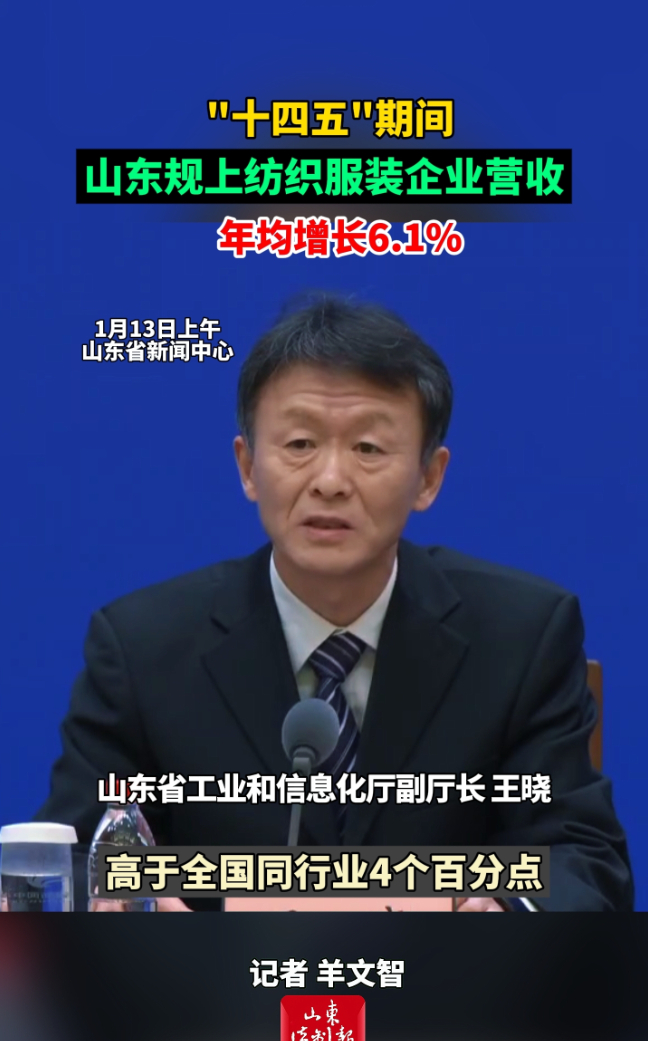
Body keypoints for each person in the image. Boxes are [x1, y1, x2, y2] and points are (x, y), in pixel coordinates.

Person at [36, 296, 633, 911]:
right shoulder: (142, 648)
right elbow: (73, 857)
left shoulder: (520, 637)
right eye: (300, 443)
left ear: (429, 477)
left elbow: (583, 858)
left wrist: (509, 907)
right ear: (248, 467)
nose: (329, 481)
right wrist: (125, 904)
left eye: (368, 448)